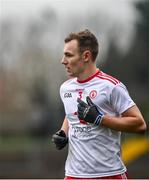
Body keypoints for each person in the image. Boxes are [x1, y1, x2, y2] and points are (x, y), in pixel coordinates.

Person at [52, 29, 147, 179]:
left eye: (69, 55)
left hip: (110, 174)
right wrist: (63, 132)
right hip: (73, 175)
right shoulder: (65, 88)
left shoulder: (111, 87)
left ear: (86, 56)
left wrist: (100, 119)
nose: (63, 60)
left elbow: (140, 125)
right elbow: (71, 113)